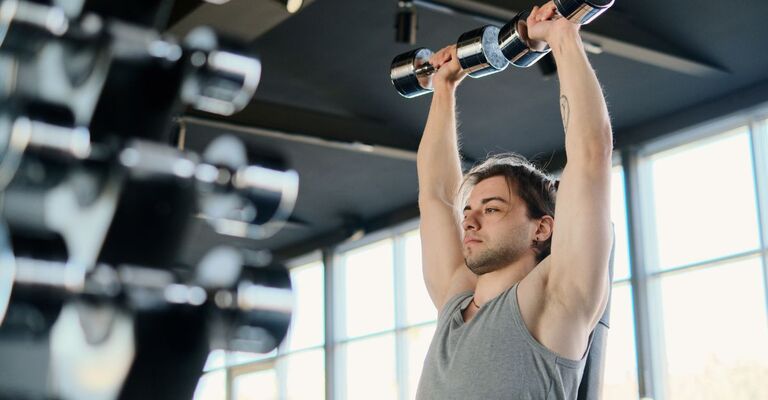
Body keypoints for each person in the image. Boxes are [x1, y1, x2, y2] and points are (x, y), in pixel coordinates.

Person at [414, 2, 614, 399]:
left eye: (491, 209)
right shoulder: (454, 302)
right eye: (470, 210)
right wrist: (444, 87)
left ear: (542, 227)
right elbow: (436, 197)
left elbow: (590, 156)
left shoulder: (555, 300)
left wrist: (562, 36)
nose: (469, 222)